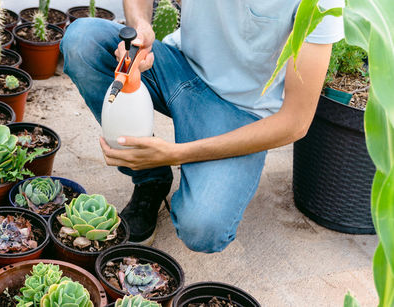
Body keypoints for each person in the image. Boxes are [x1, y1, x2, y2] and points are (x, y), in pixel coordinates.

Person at [60, 0, 344, 253]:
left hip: (239, 111)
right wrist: (141, 27)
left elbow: (295, 122)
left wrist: (176, 154)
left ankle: (168, 167)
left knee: (203, 227)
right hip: (178, 65)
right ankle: (150, 180)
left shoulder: (320, 3)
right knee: (83, 41)